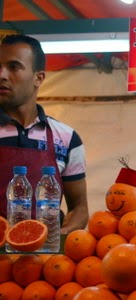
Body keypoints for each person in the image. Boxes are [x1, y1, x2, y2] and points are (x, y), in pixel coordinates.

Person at [0, 34, 88, 234]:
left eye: (14, 67)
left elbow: (79, 208)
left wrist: (61, 234)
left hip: (46, 258)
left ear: (38, 78)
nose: (2, 75)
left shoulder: (67, 138)